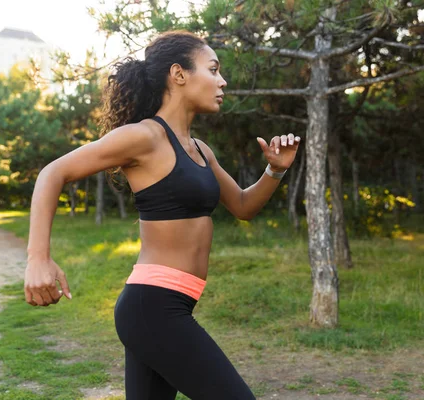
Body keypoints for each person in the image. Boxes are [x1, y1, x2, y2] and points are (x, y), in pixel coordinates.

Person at [24, 30, 300, 400]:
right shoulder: (145, 137)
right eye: (213, 69)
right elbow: (52, 173)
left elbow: (243, 206)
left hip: (168, 305)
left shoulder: (200, 149)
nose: (223, 81)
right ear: (179, 74)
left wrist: (275, 171)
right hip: (153, 307)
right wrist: (37, 259)